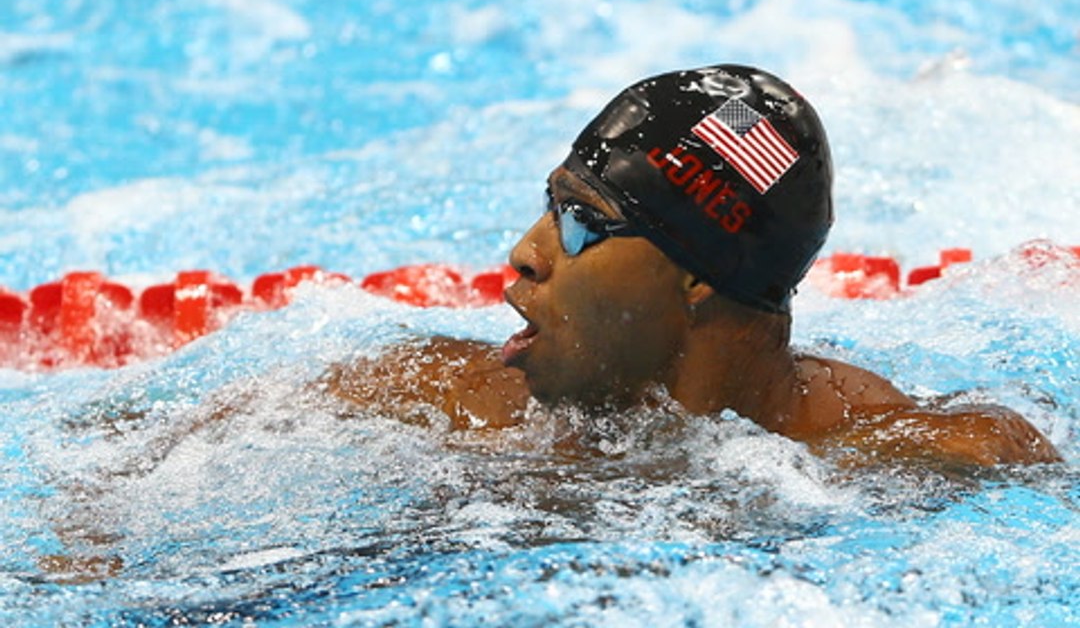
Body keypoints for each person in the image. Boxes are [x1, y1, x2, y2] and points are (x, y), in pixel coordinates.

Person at [323, 64, 1060, 467]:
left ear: (698, 271)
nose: (526, 251)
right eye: (551, 205)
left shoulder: (921, 461)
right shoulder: (414, 396)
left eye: (582, 221)